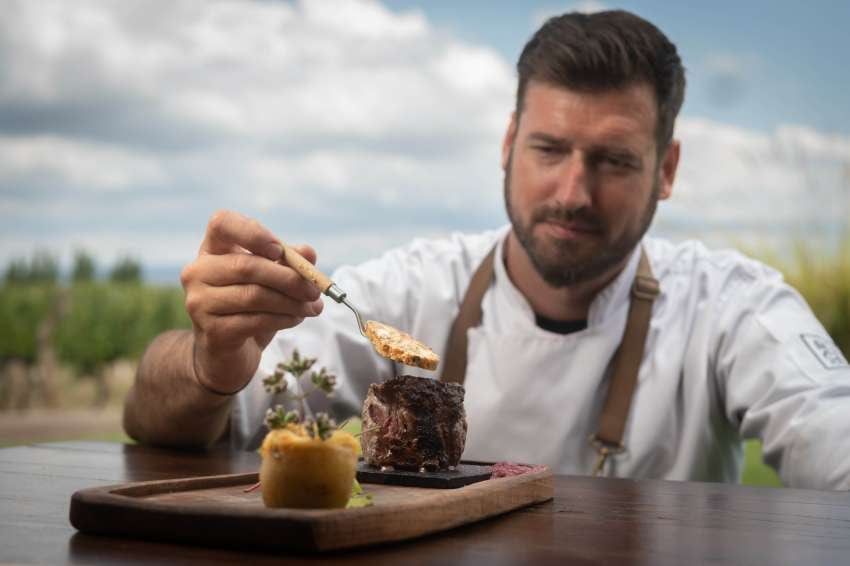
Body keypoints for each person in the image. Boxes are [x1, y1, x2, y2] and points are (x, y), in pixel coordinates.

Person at [124, 10, 850, 489]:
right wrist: (208, 363)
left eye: (615, 161)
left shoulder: (733, 305)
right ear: (507, 144)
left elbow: (831, 433)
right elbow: (161, 426)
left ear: (666, 169)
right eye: (548, 148)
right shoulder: (406, 292)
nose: (573, 191)